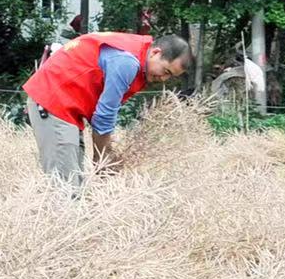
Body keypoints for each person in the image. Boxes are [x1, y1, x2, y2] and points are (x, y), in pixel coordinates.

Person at [21, 30, 190, 183]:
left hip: (65, 107)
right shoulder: (127, 62)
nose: (163, 79)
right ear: (155, 53)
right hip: (53, 102)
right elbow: (104, 115)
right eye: (166, 71)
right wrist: (102, 159)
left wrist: (105, 153)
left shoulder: (135, 51)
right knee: (64, 188)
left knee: (74, 183)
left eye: (170, 76)